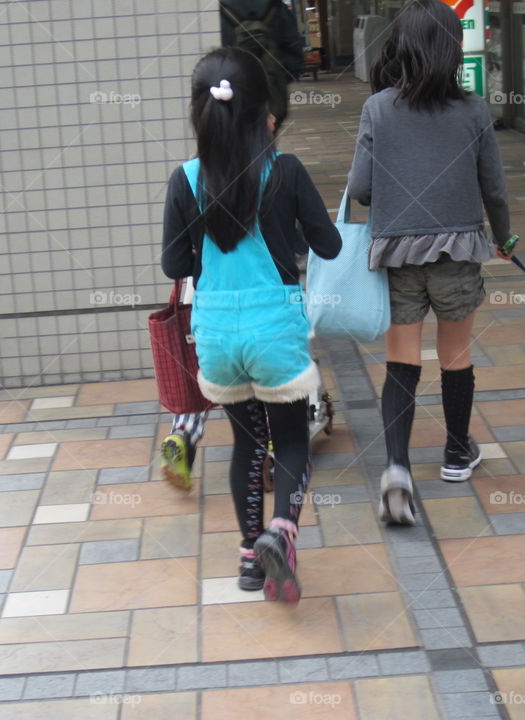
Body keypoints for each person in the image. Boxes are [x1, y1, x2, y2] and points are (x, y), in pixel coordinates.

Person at [162, 47, 341, 602]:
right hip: (274, 330)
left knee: (245, 441)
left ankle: (248, 560)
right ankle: (281, 532)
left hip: (216, 334)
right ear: (264, 111)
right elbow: (328, 246)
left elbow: (175, 265)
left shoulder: (185, 180)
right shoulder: (282, 171)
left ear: (200, 114)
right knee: (290, 442)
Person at [347, 0, 513, 525]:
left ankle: (397, 467)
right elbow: (494, 186)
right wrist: (505, 236)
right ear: (450, 48)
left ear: (402, 45)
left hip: (396, 250)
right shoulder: (473, 109)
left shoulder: (378, 108)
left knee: (402, 361)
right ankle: (456, 453)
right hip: (459, 250)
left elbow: (360, 189)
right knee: (455, 355)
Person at [219, 0, 303, 128]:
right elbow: (295, 58)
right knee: (267, 139)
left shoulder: (218, 9)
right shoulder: (277, 7)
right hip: (271, 97)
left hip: (231, 95)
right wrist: (277, 78)